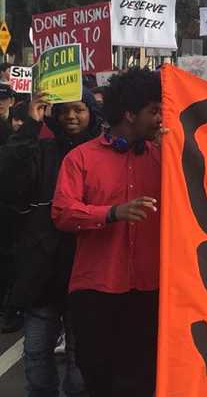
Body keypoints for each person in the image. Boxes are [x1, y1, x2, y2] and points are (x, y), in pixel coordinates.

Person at [52, 68, 163, 396]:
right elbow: (61, 212)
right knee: (99, 374)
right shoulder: (80, 158)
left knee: (144, 375)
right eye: (153, 111)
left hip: (150, 287)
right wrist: (111, 213)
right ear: (129, 114)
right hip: (97, 287)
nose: (160, 118)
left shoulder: (164, 156)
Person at [1, 90, 101, 396]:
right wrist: (31, 126)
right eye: (64, 111)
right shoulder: (41, 149)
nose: (71, 116)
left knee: (79, 359)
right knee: (35, 352)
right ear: (53, 116)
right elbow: (8, 177)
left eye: (79, 109)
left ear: (91, 113)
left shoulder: (106, 152)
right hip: (41, 269)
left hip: (87, 267)